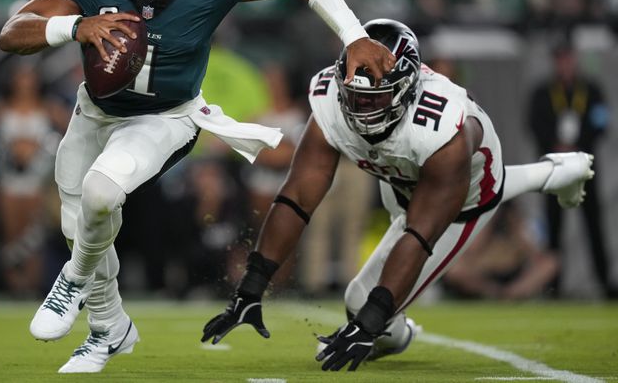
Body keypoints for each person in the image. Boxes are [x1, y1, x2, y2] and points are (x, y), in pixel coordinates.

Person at [0, 0, 395, 374]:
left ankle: (72, 280)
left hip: (167, 116)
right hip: (95, 113)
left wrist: (354, 34)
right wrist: (76, 25)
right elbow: (13, 32)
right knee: (84, 224)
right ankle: (108, 330)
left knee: (101, 195)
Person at [201, 19, 595, 372]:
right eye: (356, 96)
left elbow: (420, 234)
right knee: (374, 291)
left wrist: (369, 324)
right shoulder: (331, 98)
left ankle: (400, 334)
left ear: (407, 86)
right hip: (400, 176)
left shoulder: (444, 126)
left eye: (376, 97)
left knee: (361, 302)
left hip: (463, 196)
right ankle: (558, 171)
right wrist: (251, 286)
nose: (363, 109)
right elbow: (297, 196)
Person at [0, 63, 70, 296]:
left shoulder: (48, 107)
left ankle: (34, 285)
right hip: (10, 179)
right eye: (20, 76)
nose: (25, 82)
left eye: (29, 77)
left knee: (34, 236)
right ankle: (14, 286)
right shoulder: (1, 108)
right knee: (11, 234)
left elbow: (74, 131)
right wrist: (1, 148)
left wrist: (43, 148)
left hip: (36, 180)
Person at [527, 38, 614, 297]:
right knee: (554, 228)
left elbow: (601, 123)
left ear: (574, 59)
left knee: (594, 225)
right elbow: (533, 124)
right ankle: (553, 287)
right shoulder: (543, 92)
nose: (565, 64)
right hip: (554, 170)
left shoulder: (591, 90)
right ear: (555, 62)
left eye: (568, 58)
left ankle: (605, 283)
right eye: (560, 59)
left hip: (584, 168)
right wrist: (555, 146)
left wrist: (578, 147)